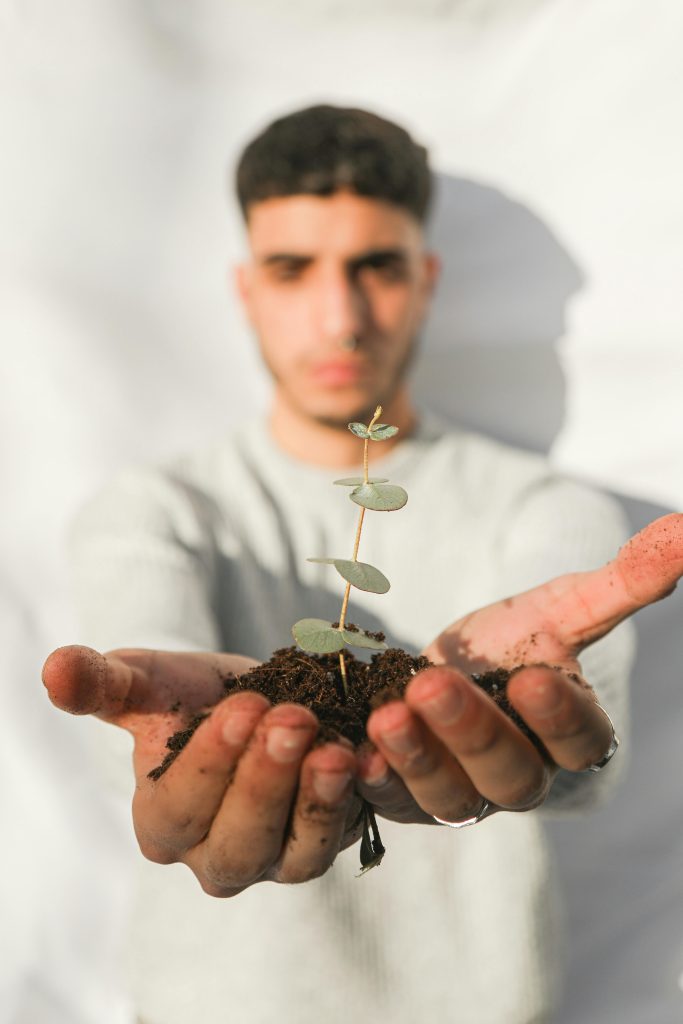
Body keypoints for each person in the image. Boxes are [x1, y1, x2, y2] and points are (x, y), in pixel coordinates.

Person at [42, 105, 683, 1024]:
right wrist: (172, 737)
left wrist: (555, 735)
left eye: (375, 268)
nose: (339, 318)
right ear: (245, 289)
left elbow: (586, 746)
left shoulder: (542, 507)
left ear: (424, 282)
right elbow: (143, 741)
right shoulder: (153, 510)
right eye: (292, 269)